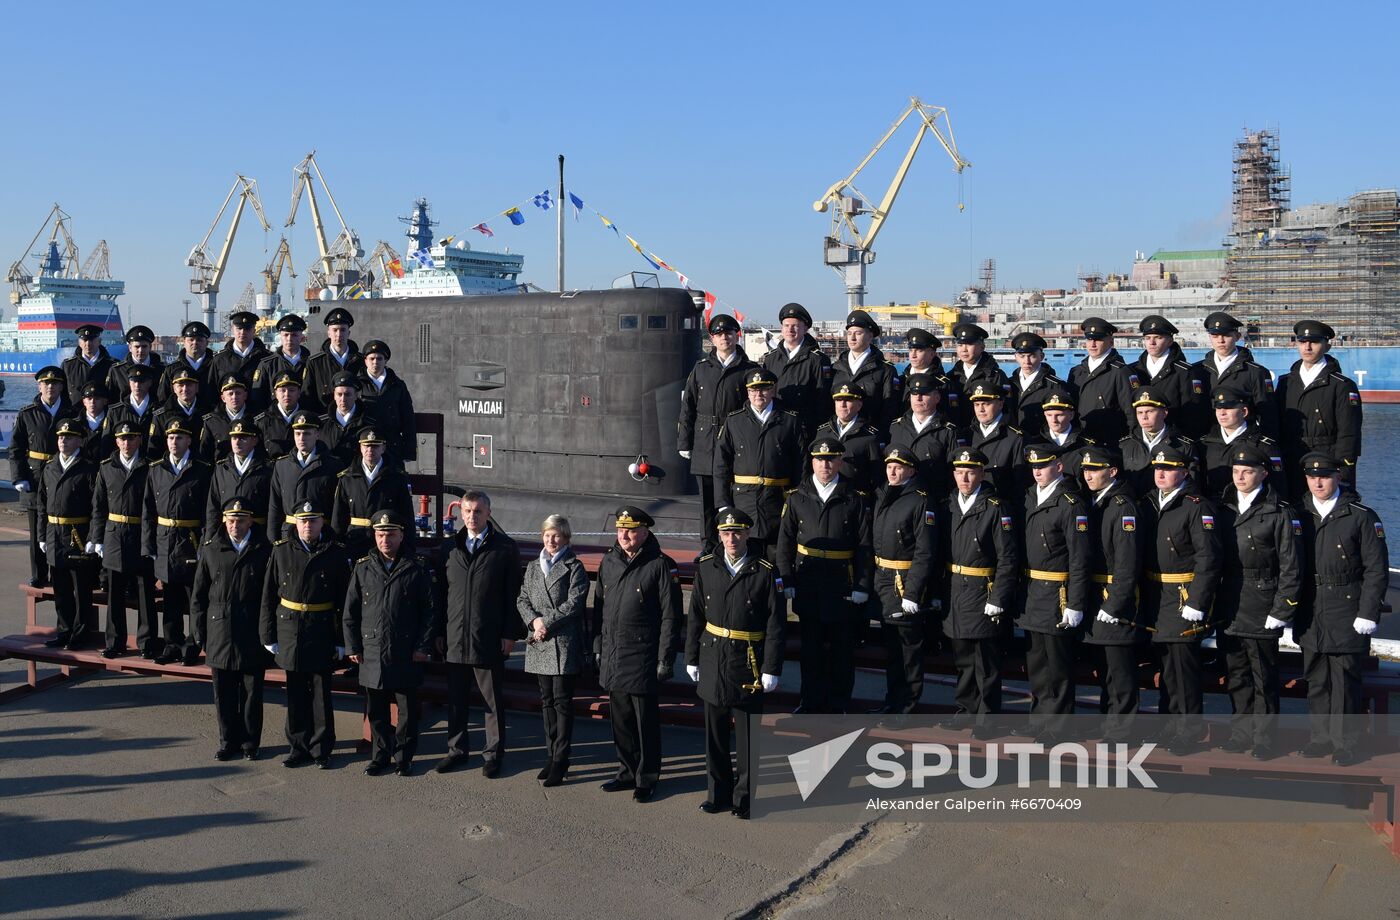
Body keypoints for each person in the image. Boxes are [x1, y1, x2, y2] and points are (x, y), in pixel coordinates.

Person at [686, 507, 784, 819]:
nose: (732, 538)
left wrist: (772, 667)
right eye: (726, 533)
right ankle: (718, 794)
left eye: (738, 532)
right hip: (713, 657)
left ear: (747, 534)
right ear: (719, 535)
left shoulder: (765, 571)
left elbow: (776, 624)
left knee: (747, 739)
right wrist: (691, 657)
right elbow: (696, 616)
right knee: (714, 736)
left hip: (748, 661)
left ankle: (744, 799)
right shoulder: (706, 568)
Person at [1296, 452, 1388, 766]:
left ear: (1338, 477)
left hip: (1347, 605)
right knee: (1316, 677)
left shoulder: (1361, 515)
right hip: (1311, 606)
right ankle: (1320, 738)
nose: (1317, 482)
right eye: (1311, 476)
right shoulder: (1299, 513)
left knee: (1345, 680)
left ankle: (1346, 742)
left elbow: (1376, 569)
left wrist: (1368, 612)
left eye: (1324, 476)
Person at [1215, 443, 1302, 760]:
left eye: (1248, 471)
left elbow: (1291, 566)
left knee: (1264, 676)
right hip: (1230, 600)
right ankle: (1240, 733)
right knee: (1237, 673)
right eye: (1236, 471)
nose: (1240, 477)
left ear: (1263, 473)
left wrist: (1282, 609)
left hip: (1263, 601)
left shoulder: (1279, 512)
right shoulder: (1222, 507)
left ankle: (1265, 738)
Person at [776, 437, 874, 715]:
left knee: (843, 650)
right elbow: (785, 542)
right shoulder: (797, 497)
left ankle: (839, 703)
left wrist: (862, 585)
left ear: (840, 462)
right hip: (808, 581)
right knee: (811, 650)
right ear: (812, 462)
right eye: (820, 459)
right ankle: (810, 701)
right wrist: (787, 579)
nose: (825, 465)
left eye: (831, 459)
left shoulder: (854, 498)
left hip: (841, 582)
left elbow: (865, 546)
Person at [594, 506, 683, 802]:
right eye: (620, 529)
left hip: (643, 654)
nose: (624, 535)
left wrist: (664, 658)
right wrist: (597, 647)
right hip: (614, 653)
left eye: (631, 530)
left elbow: (671, 617)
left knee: (645, 722)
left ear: (645, 532)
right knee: (620, 720)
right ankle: (627, 771)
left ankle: (647, 777)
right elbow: (599, 611)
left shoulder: (660, 565)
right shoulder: (609, 562)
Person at [1138, 444, 1222, 754]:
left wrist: (1198, 602)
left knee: (1184, 668)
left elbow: (1208, 558)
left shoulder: (1196, 506)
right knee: (1166, 666)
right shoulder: (1149, 502)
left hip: (1184, 596)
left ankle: (1189, 730)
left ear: (1184, 472)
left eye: (1169, 468)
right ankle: (1167, 725)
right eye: (1158, 468)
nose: (1161, 473)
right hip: (1156, 596)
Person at [435, 491, 523, 778]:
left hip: (488, 635)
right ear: (462, 513)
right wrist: (439, 632)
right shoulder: (449, 548)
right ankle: (457, 750)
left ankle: (493, 754)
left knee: (491, 701)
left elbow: (513, 596)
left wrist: (510, 634)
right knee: (456, 698)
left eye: (479, 512)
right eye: (469, 511)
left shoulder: (504, 549)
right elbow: (441, 596)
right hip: (455, 636)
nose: (473, 517)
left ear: (488, 513)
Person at [344, 508, 438, 777]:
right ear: (374, 536)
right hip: (372, 649)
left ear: (401, 536)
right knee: (377, 710)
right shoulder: (363, 568)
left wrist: (423, 646)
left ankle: (404, 757)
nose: (385, 539)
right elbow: (350, 611)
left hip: (406, 649)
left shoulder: (416, 567)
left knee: (407, 711)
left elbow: (430, 611)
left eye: (391, 534)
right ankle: (380, 755)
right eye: (381, 534)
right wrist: (353, 647)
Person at [260, 500, 353, 769]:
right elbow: (268, 596)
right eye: (303, 521)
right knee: (295, 692)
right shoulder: (281, 551)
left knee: (321, 693)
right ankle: (298, 747)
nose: (308, 526)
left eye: (313, 520)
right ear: (295, 523)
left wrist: (341, 640)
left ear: (322, 522)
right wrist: (269, 635)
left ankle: (322, 749)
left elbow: (344, 600)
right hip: (290, 628)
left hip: (321, 628)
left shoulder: (335, 553)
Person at [939, 447, 1019, 738]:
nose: (964, 477)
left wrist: (999, 598)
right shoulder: (948, 504)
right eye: (960, 472)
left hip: (982, 591)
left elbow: (1008, 558)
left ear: (982, 474)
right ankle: (966, 709)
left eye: (971, 472)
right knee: (962, 658)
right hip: (955, 590)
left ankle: (987, 719)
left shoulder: (995, 508)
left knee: (985, 661)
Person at [1017, 444, 1092, 741]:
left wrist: (1075, 603)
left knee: (1057, 666)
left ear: (1059, 467)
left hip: (1059, 592)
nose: (1037, 471)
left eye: (1044, 466)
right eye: (1034, 466)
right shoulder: (1029, 497)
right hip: (1033, 591)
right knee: (1037, 663)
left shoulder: (1070, 503)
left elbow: (1079, 558)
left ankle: (1059, 726)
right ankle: (1039, 719)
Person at [193, 497, 274, 762]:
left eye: (240, 520)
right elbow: (199, 596)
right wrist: (199, 633)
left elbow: (271, 595)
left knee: (252, 694)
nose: (234, 526)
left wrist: (268, 634)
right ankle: (228, 742)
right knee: (223, 693)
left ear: (251, 520)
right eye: (230, 520)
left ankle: (251, 743)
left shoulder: (265, 550)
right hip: (220, 631)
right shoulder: (211, 549)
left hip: (251, 631)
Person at [517, 514, 590, 787]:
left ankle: (562, 759)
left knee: (562, 703)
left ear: (566, 538)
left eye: (556, 535)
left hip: (561, 643)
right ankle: (551, 754)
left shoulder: (575, 567)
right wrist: (534, 622)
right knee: (546, 702)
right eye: (547, 535)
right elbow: (522, 598)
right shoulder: (534, 567)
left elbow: (574, 604)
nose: (551, 540)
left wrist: (545, 622)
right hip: (539, 641)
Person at [1078, 445, 1142, 742]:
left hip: (1114, 596)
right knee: (1104, 666)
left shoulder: (1122, 507)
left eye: (1095, 469)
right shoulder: (1094, 501)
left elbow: (1127, 563)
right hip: (1095, 593)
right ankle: (1109, 721)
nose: (1088, 474)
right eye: (1086, 469)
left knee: (1119, 669)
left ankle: (1123, 728)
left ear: (1112, 472)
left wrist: (1116, 603)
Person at [678, 313, 755, 553]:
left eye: (729, 333)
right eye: (719, 334)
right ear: (712, 338)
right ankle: (709, 546)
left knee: (736, 496)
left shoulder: (748, 370)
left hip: (736, 443)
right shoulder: (701, 369)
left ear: (736, 336)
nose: (725, 337)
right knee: (707, 503)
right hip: (705, 443)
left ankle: (738, 545)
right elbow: (687, 406)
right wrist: (684, 442)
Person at [870, 447, 937, 716]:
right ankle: (892, 701)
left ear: (911, 470)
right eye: (889, 467)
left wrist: (913, 592)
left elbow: (925, 551)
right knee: (892, 648)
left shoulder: (921, 500)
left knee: (908, 650)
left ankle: (907, 706)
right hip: (883, 579)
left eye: (899, 467)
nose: (893, 471)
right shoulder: (883, 494)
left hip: (904, 581)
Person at [713, 367, 805, 560]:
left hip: (777, 499)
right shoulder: (734, 421)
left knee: (778, 553)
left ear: (772, 390)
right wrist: (723, 503)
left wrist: (797, 497)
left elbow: (801, 463)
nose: (759, 394)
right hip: (744, 499)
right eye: (754, 390)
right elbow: (721, 465)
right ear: (747, 392)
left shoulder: (790, 420)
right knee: (747, 554)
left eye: (763, 389)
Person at [143, 418, 214, 666]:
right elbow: (148, 511)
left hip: (191, 540)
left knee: (194, 599)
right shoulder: (156, 469)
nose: (174, 442)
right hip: (165, 541)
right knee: (170, 599)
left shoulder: (202, 469)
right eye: (171, 437)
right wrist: (148, 545)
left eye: (180, 437)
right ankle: (172, 644)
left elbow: (209, 512)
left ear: (189, 441)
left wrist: (206, 545)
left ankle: (193, 645)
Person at [90, 420, 158, 659]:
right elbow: (98, 506)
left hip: (141, 534)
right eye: (122, 438)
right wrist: (96, 538)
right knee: (114, 593)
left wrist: (152, 541)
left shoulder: (150, 466)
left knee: (144, 592)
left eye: (131, 438)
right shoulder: (107, 467)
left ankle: (148, 642)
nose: (126, 443)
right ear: (116, 441)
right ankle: (115, 642)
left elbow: (154, 507)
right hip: (114, 535)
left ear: (139, 439)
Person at [1277, 319, 1363, 496]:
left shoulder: (1342, 386)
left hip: (1326, 464)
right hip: (1291, 462)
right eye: (1302, 342)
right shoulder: (1285, 383)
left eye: (1314, 342)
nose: (1307, 347)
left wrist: (1343, 472)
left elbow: (1349, 434)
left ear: (1327, 346)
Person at [11, 365, 76, 587]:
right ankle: (39, 574)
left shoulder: (72, 412)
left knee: (63, 527)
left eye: (55, 383)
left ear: (61, 386)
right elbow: (16, 449)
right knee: (36, 529)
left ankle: (63, 572)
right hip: (35, 477)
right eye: (46, 383)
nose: (51, 387)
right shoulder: (27, 413)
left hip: (63, 475)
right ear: (39, 385)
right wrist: (19, 477)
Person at [38, 419, 98, 649]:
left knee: (81, 589)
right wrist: (42, 535)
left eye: (69, 437)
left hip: (77, 535)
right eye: (61, 437)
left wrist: (93, 536)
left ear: (79, 441)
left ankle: (81, 634)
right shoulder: (50, 466)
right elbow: (42, 503)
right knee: (61, 590)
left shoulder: (88, 468)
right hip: (55, 534)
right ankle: (64, 630)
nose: (63, 440)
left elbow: (96, 507)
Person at [1184, 311, 1278, 439]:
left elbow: (1267, 415)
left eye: (1226, 335)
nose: (1221, 340)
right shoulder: (1196, 371)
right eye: (1215, 336)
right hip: (1206, 443)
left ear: (1237, 336)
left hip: (1243, 443)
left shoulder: (1256, 372)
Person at [331, 427, 415, 559]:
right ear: (360, 447)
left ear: (383, 448)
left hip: (385, 542)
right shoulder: (347, 477)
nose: (370, 450)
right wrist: (337, 546)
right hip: (355, 541)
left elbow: (407, 515)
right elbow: (338, 517)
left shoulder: (397, 478)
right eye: (367, 446)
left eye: (375, 446)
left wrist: (409, 548)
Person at [268, 411, 345, 541]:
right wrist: (273, 538)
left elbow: (338, 508)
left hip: (321, 534)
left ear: (317, 434)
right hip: (289, 535)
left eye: (307, 433)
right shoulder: (282, 465)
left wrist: (334, 536)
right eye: (298, 434)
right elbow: (274, 505)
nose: (302, 438)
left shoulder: (333, 465)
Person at [886, 373, 963, 501]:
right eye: (914, 394)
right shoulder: (896, 427)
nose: (918, 398)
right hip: (900, 500)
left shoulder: (948, 431)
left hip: (933, 499)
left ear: (937, 398)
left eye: (924, 394)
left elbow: (953, 474)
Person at [762, 302, 832, 439]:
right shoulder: (771, 359)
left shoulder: (817, 359)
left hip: (805, 428)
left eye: (795, 326)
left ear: (805, 329)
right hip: (777, 427)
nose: (790, 330)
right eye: (786, 326)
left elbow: (823, 399)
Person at [1198, 388, 1283, 498]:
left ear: (1244, 411)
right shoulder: (1204, 444)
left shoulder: (1263, 446)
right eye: (1218, 408)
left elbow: (1278, 486)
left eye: (1228, 408)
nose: (1222, 413)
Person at [1118, 385, 1199, 498]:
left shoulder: (1183, 446)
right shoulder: (1125, 445)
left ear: (1164, 413)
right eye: (1139, 413)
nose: (1144, 417)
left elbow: (1191, 485)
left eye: (1149, 411)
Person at [829, 309, 900, 435]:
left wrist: (881, 438)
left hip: (869, 436)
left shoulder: (885, 370)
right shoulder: (836, 368)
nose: (852, 337)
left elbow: (889, 409)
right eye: (849, 333)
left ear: (870, 336)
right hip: (839, 435)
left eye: (858, 333)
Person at [204, 421, 273, 543]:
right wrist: (210, 538)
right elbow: (213, 507)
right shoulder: (222, 467)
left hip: (257, 535)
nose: (237, 442)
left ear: (255, 440)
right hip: (226, 533)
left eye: (243, 438)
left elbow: (273, 507)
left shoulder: (267, 468)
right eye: (234, 438)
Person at [1069, 317, 1135, 443]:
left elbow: (1131, 412)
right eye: (1089, 339)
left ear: (1110, 341)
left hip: (1110, 442)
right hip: (1081, 440)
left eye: (1098, 339)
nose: (1093, 344)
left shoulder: (1121, 372)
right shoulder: (1076, 372)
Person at [814, 383, 886, 498]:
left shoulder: (870, 436)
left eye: (848, 400)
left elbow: (877, 476)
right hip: (825, 498)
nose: (842, 405)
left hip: (855, 500)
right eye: (838, 400)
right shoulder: (822, 431)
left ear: (859, 405)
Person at [356, 340, 417, 466]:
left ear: (385, 361)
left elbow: (408, 418)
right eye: (371, 358)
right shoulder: (356, 385)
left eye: (379, 358)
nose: (375, 362)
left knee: (394, 481)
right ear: (365, 360)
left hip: (392, 444)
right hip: (367, 445)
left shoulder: (398, 385)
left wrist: (409, 451)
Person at [963, 382, 1025, 503]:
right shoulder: (966, 435)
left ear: (1000, 404)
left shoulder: (1015, 438)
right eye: (976, 404)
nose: (981, 409)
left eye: (986, 404)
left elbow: (1020, 483)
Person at [944, 322, 1009, 428]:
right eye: (960, 345)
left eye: (969, 344)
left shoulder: (995, 376)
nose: (964, 349)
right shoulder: (951, 377)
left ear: (982, 346)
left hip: (983, 435)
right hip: (956, 434)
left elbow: (1006, 409)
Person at [1126, 315, 1193, 413]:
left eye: (1158, 337)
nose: (1152, 342)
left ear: (1170, 341)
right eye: (1148, 338)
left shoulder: (1184, 372)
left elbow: (1192, 412)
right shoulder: (1132, 370)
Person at [302, 307, 363, 415]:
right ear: (329, 333)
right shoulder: (315, 363)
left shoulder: (360, 361)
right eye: (335, 330)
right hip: (325, 422)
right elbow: (307, 396)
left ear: (348, 333)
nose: (339, 334)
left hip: (355, 421)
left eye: (343, 330)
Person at [1007, 331, 1069, 433]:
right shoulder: (1009, 383)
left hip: (1041, 442)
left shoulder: (1055, 386)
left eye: (1032, 356)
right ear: (1016, 357)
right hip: (1014, 442)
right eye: (1022, 356)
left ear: (1041, 356)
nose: (1026, 361)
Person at [252, 314, 311, 413]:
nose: (289, 339)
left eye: (294, 335)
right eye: (286, 335)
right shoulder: (267, 364)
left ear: (302, 337)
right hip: (275, 419)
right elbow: (257, 397)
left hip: (305, 419)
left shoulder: (311, 363)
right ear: (280, 336)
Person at [1036, 389, 1094, 481]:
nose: (1054, 420)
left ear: (1071, 415)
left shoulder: (1086, 445)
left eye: (1059, 415)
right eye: (1049, 415)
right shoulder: (1037, 443)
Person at [157, 321, 217, 412]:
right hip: (179, 420)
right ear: (184, 342)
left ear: (207, 343)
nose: (195, 343)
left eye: (199, 340)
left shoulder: (216, 367)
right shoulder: (172, 369)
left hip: (210, 419)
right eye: (191, 340)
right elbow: (163, 398)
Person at [318, 372, 375, 465]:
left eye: (347, 394)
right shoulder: (321, 424)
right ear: (334, 396)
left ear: (356, 395)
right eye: (339, 394)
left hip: (355, 477)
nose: (343, 399)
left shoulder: (369, 424)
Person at [198, 375, 256, 464]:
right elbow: (205, 454)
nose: (234, 397)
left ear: (245, 395)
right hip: (221, 473)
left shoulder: (256, 418)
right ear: (223, 398)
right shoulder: (211, 421)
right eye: (230, 394)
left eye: (238, 393)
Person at [150, 369, 206, 458]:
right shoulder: (161, 415)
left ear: (197, 387)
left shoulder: (208, 411)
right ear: (174, 388)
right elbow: (155, 448)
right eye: (180, 385)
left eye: (189, 385)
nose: (185, 389)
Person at [209, 310, 270, 389]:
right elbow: (212, 390)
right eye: (239, 328)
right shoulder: (220, 359)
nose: (242, 332)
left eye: (247, 329)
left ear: (254, 331)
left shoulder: (267, 358)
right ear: (232, 329)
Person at [255, 372, 304, 460]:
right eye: (282, 390)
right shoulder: (262, 422)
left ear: (299, 393)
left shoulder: (310, 419)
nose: (287, 394)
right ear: (275, 393)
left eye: (292, 390)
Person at [105, 325, 165, 398]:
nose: (140, 350)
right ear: (130, 347)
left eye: (144, 346)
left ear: (150, 347)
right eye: (137, 347)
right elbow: (109, 398)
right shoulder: (117, 371)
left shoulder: (162, 370)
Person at [62, 323, 115, 403]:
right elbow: (62, 392)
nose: (88, 343)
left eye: (92, 339)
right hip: (76, 413)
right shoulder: (68, 366)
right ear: (79, 342)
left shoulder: (112, 365)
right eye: (85, 340)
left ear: (99, 341)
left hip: (105, 413)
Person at [106, 362, 158, 441]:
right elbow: (107, 441)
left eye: (141, 381)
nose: (137, 385)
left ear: (149, 383)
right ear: (129, 382)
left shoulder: (158, 409)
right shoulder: (115, 411)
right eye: (134, 381)